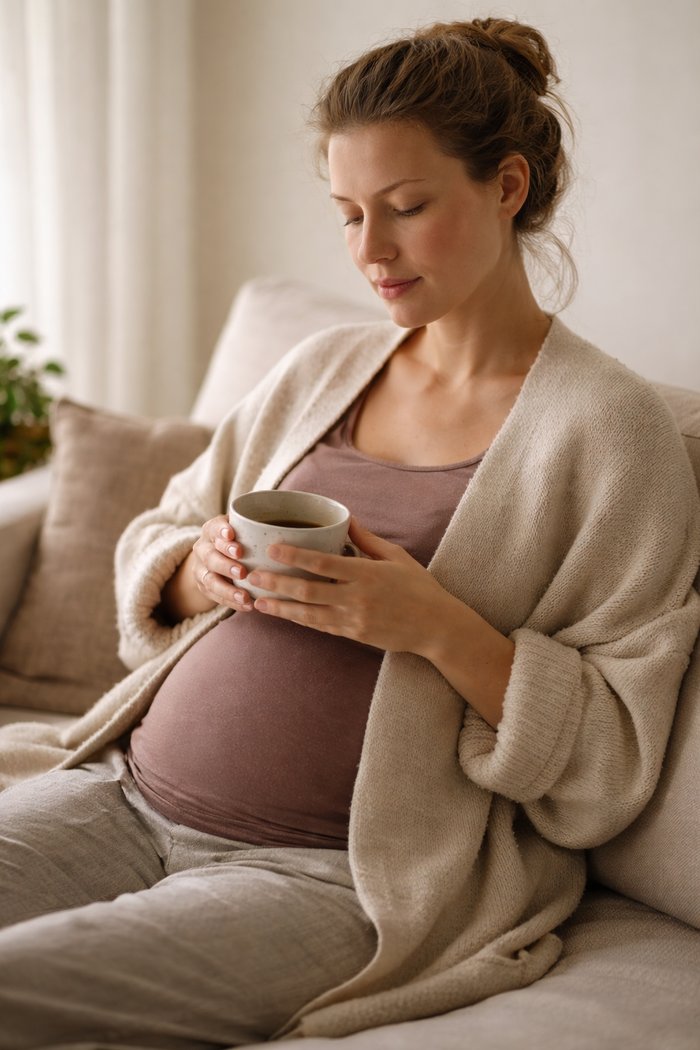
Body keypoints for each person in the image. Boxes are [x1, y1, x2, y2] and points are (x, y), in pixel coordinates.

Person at [1, 17, 699, 1050]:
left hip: (331, 876)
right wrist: (194, 571)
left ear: (506, 187)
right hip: (121, 793)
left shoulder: (613, 434)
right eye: (347, 213)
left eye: (407, 209)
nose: (369, 250)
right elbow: (165, 525)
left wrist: (433, 625)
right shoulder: (323, 369)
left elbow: (610, 760)